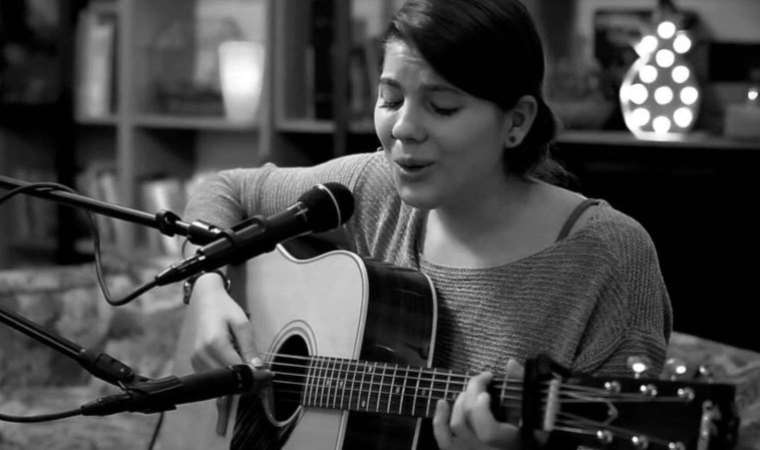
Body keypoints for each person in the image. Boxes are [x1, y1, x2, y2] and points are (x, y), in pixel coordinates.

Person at [181, 0, 672, 448]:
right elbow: (225, 190)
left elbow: (630, 426)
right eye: (390, 99)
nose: (404, 128)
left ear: (517, 121)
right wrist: (205, 289)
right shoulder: (373, 189)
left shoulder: (610, 256)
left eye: (442, 107)